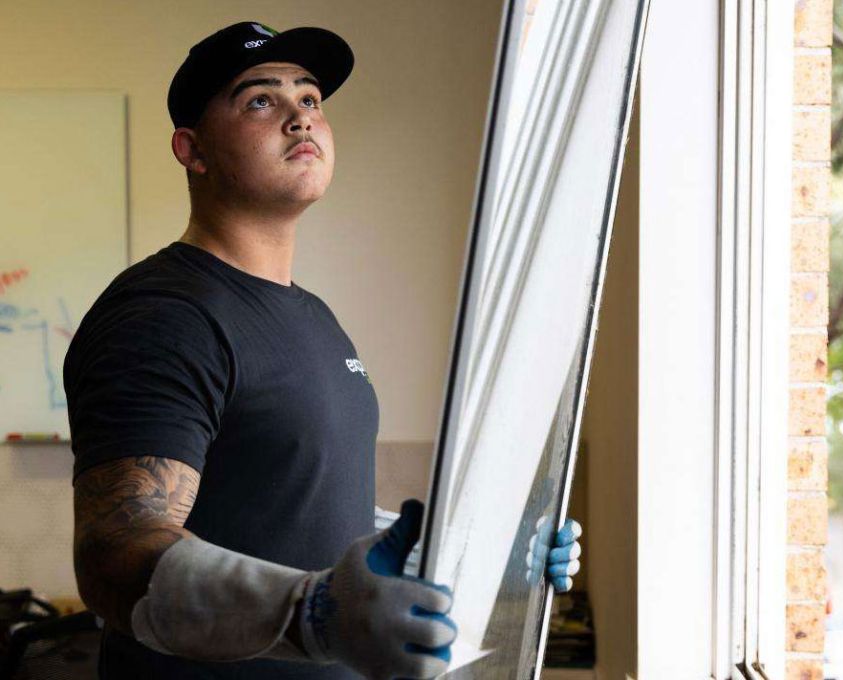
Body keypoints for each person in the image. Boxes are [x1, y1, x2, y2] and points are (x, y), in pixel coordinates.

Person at [63, 20, 582, 680]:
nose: (300, 118)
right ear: (193, 150)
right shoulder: (165, 316)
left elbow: (305, 517)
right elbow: (115, 553)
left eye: (309, 99)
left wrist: (483, 552)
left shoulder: (312, 316)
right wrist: (311, 614)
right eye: (261, 100)